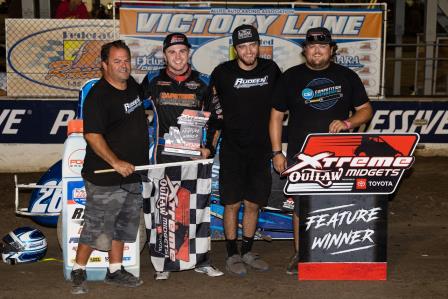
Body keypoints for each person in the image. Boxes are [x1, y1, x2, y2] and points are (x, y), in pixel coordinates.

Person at [269, 27, 373, 275]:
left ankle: (335, 251)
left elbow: (366, 110)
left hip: (339, 154)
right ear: (305, 50)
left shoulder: (347, 76)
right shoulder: (290, 77)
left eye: (323, 46)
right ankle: (301, 253)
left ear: (332, 50)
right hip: (301, 154)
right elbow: (275, 116)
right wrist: (276, 152)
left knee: (338, 204)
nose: (317, 50)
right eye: (312, 46)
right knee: (301, 207)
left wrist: (349, 122)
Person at [140, 32, 223, 280]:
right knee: (163, 208)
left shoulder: (204, 82)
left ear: (189, 53)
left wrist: (209, 148)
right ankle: (164, 264)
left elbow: (218, 120)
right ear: (165, 55)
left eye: (182, 51)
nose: (178, 57)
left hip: (194, 157)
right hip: (162, 155)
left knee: (197, 208)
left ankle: (202, 261)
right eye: (172, 52)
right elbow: (137, 113)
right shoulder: (152, 80)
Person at [201, 24, 281, 276]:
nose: (248, 50)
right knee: (232, 204)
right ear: (235, 49)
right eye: (242, 46)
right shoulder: (222, 73)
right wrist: (209, 146)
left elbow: (281, 107)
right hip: (232, 150)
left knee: (253, 203)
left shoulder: (272, 70)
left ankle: (247, 250)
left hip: (261, 150)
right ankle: (232, 254)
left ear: (259, 45)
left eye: (252, 45)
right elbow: (213, 113)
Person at [70, 40, 149, 294]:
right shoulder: (98, 96)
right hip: (105, 175)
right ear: (104, 65)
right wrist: (116, 162)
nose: (124, 65)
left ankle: (114, 270)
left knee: (124, 225)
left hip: (133, 174)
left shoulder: (132, 86)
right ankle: (78, 270)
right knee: (97, 226)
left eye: (126, 60)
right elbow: (92, 136)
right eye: (117, 61)